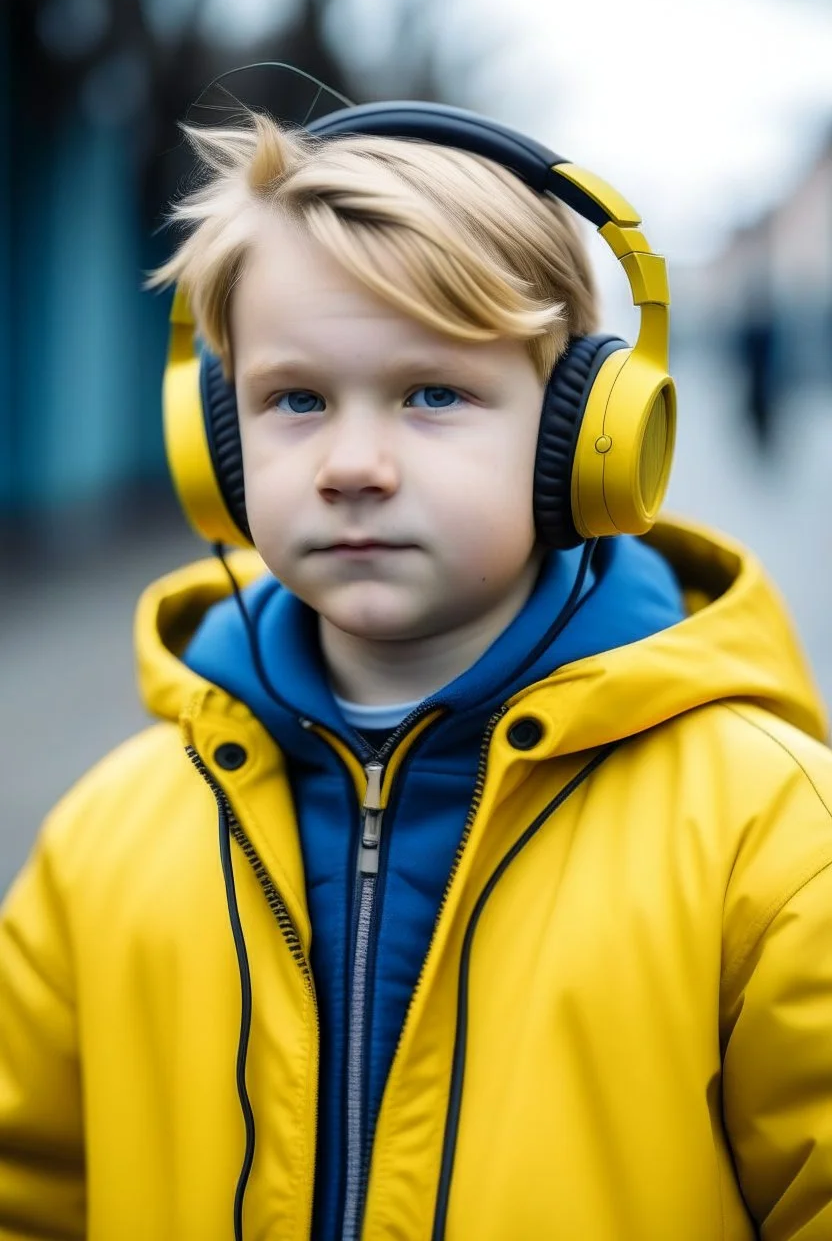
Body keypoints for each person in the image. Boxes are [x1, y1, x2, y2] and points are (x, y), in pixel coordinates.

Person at [0, 98, 830, 1241]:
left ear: (587, 440)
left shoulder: (770, 836)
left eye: (432, 395)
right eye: (293, 401)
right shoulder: (106, 844)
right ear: (215, 448)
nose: (351, 465)